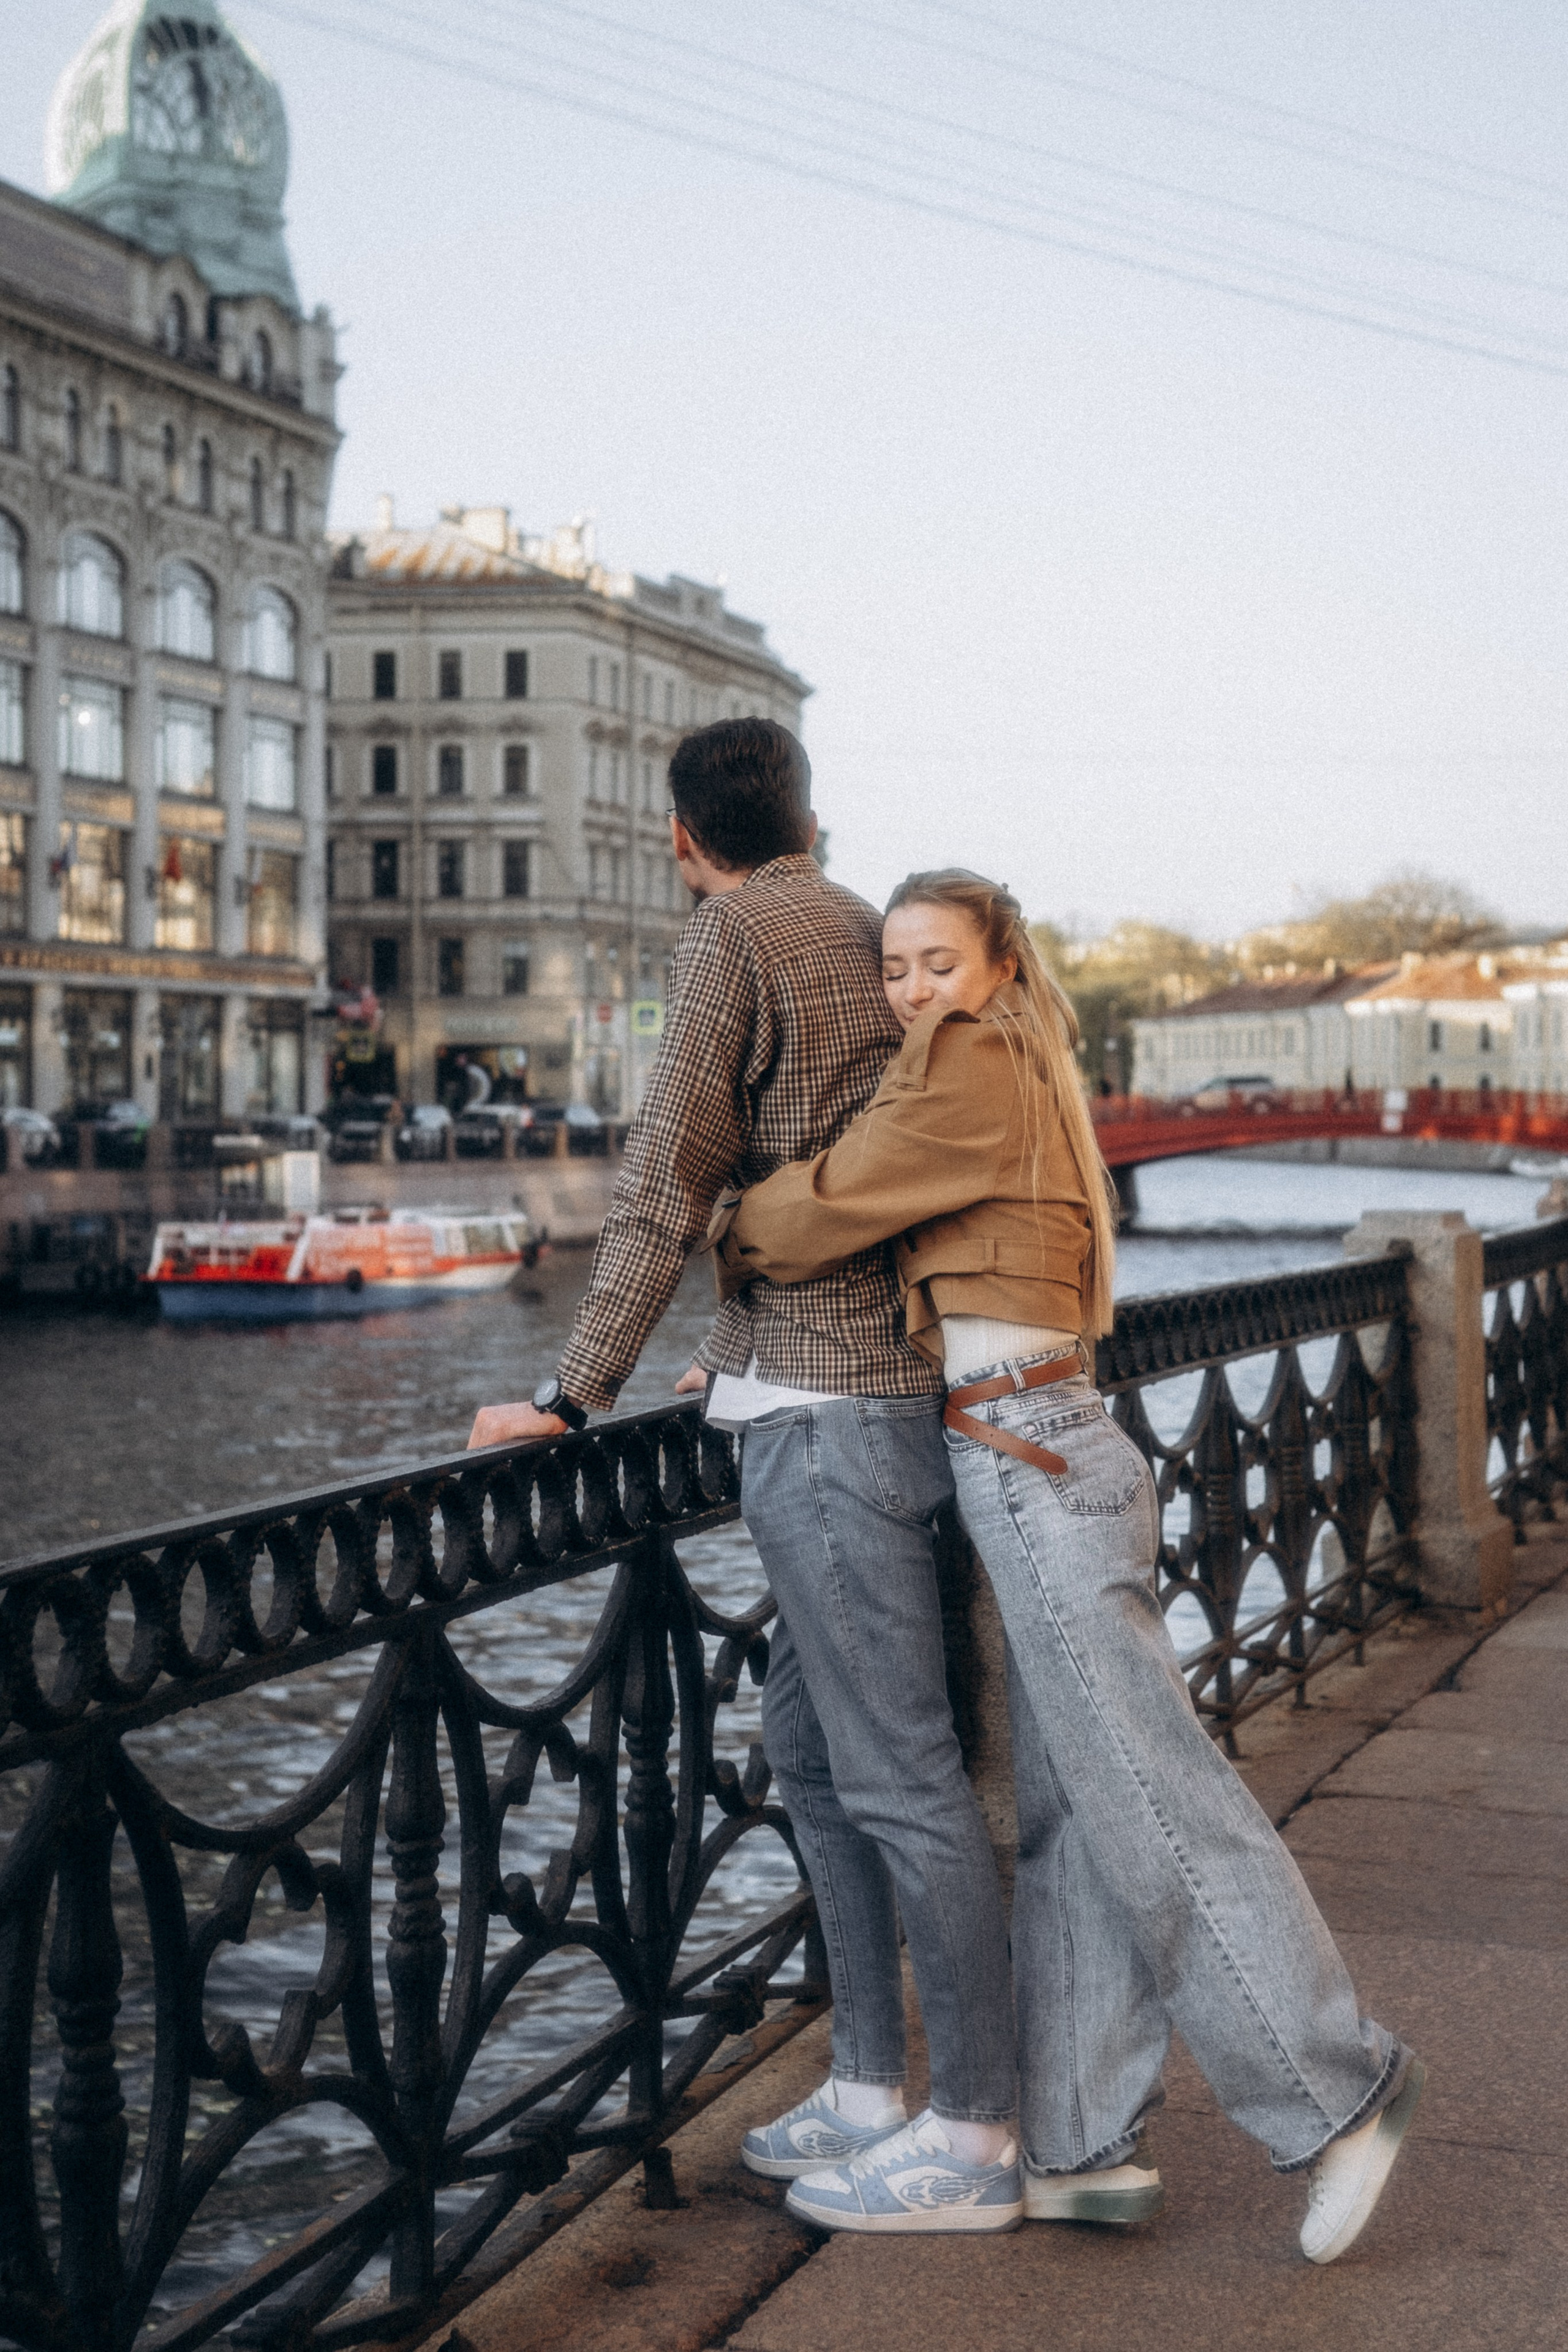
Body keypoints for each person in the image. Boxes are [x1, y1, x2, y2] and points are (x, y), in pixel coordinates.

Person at [714, 868, 1424, 2261]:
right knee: (1069, 1817)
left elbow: (811, 1217)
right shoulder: (988, 1060)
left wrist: (721, 1210)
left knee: (1152, 1805)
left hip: (1030, 1457)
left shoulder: (969, 1061)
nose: (912, 988)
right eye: (894, 968)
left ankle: (1339, 2088)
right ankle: (1085, 2146)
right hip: (1026, 1451)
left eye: (936, 962)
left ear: (995, 968)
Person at [468, 728, 1025, 2234]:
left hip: (833, 1417)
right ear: (808, 816)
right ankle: (862, 2089)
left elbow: (671, 1173)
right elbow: (827, 1149)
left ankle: (971, 2140)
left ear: (676, 838)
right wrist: (727, 1345)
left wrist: (568, 1393)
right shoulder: (857, 922)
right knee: (805, 1747)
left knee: (899, 1777)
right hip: (847, 1382)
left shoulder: (730, 931)